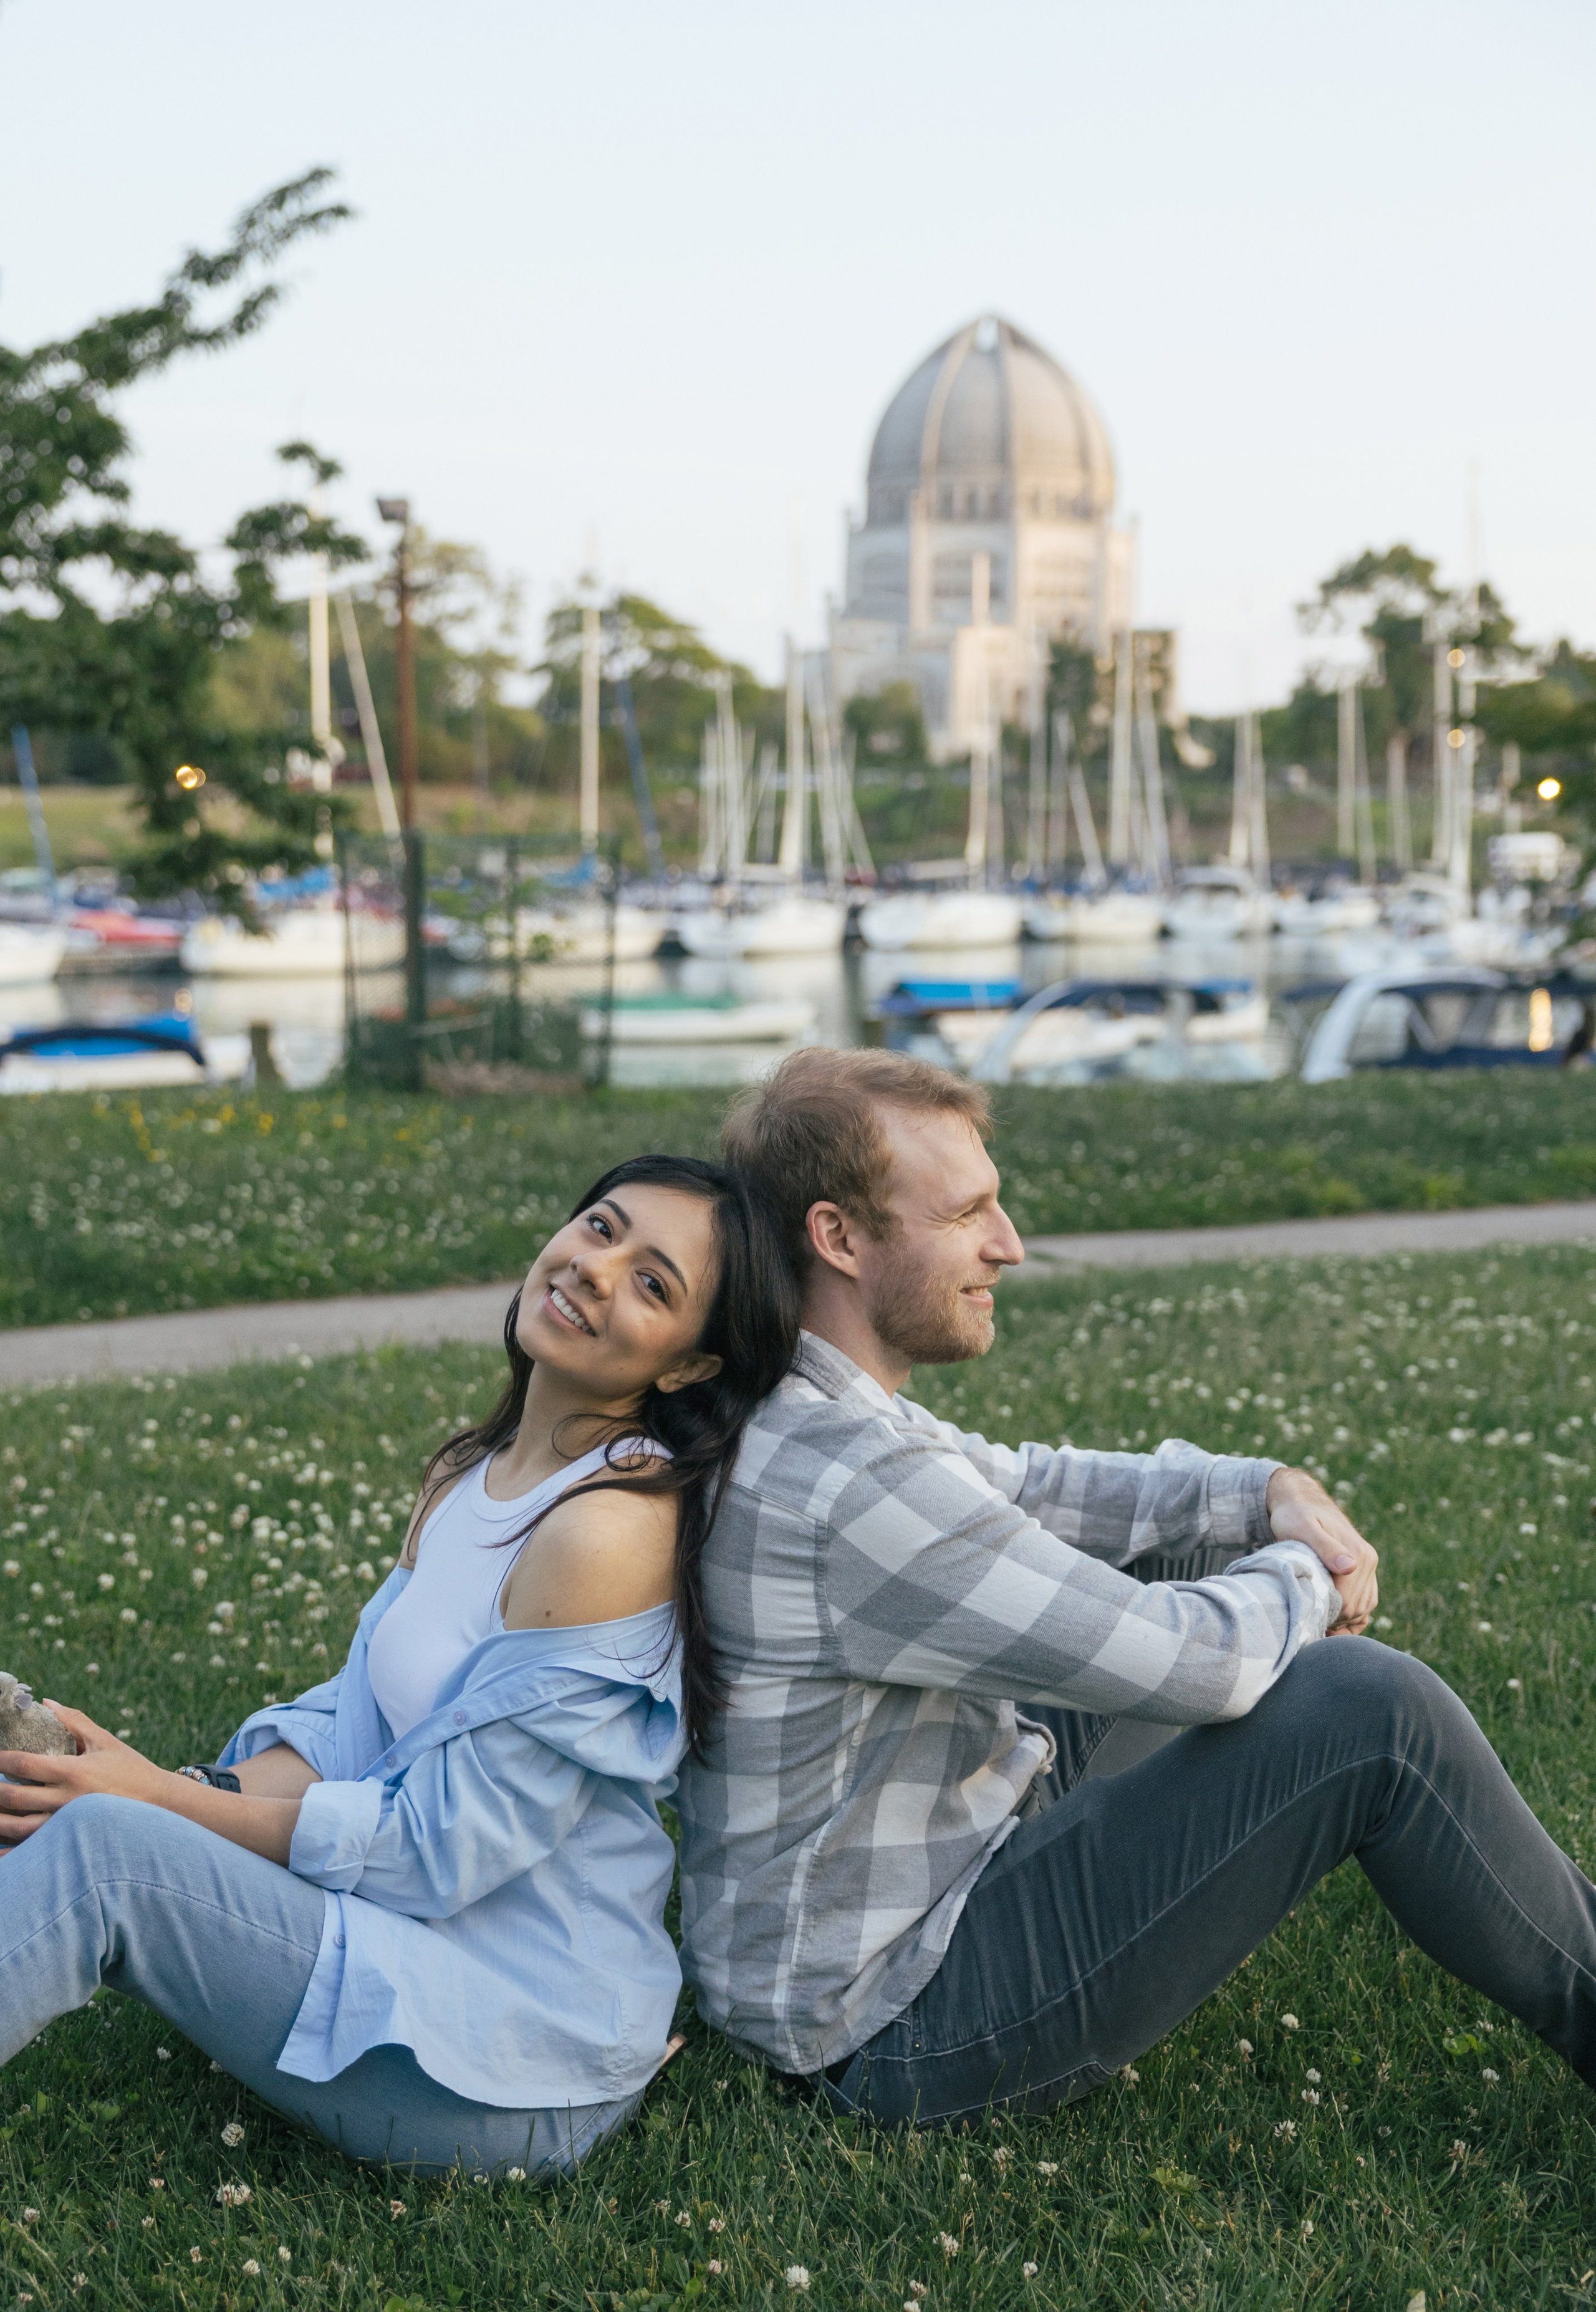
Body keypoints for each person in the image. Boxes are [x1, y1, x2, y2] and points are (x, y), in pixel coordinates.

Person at [676, 1047, 1596, 2122]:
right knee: (1370, 1712)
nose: (1008, 1247)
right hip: (884, 2031)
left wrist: (1262, 1495)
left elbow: (1033, 1487)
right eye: (966, 1213)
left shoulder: (820, 1408)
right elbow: (1198, 1665)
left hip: (920, 1889)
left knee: (1186, 1547)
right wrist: (1310, 1570)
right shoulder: (847, 1484)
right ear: (836, 1236)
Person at [0, 1155, 797, 2177]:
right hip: (403, 1957)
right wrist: (182, 1789)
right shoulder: (476, 1470)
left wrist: (155, 1807)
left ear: (688, 1367)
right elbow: (353, 1731)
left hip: (514, 2056)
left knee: (105, 1850)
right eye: (601, 1229)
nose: (598, 1270)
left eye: (654, 1283)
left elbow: (438, 1846)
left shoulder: (606, 1534)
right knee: (45, 1793)